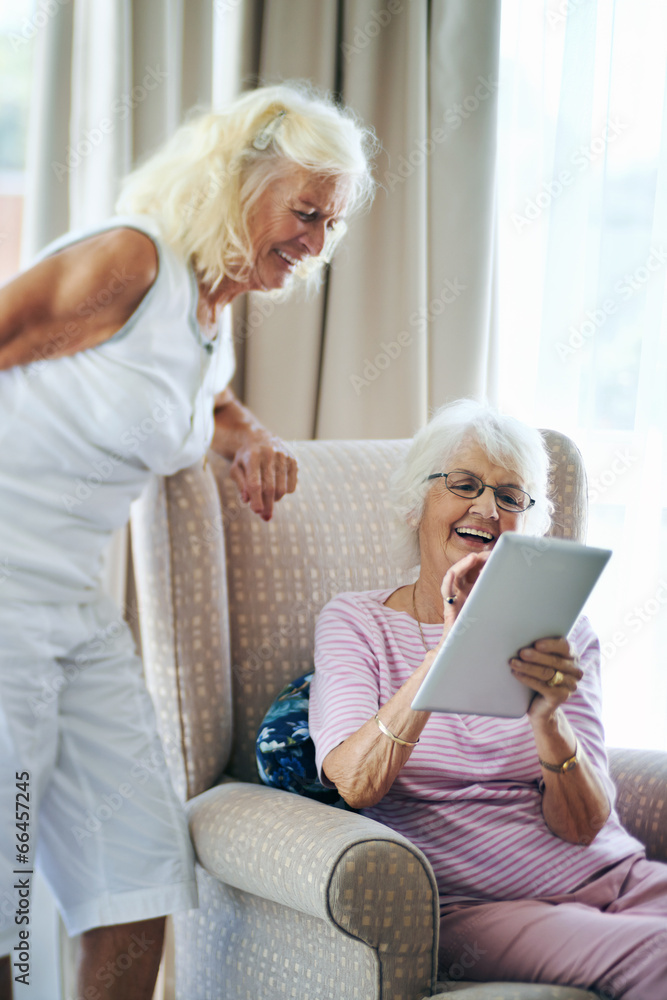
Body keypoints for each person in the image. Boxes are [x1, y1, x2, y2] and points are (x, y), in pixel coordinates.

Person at [0, 82, 375, 999]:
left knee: (138, 877)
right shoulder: (130, 260)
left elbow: (205, 403)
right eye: (305, 211)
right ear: (238, 178)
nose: (318, 242)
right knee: (8, 898)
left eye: (332, 223)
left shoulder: (209, 317)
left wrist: (250, 441)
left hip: (76, 616)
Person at [309, 399, 667, 1000]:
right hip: (484, 907)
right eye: (464, 485)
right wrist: (446, 654)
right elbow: (354, 781)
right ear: (415, 501)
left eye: (509, 495)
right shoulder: (356, 622)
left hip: (614, 873)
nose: (486, 509)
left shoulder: (562, 631)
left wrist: (549, 721)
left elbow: (583, 826)